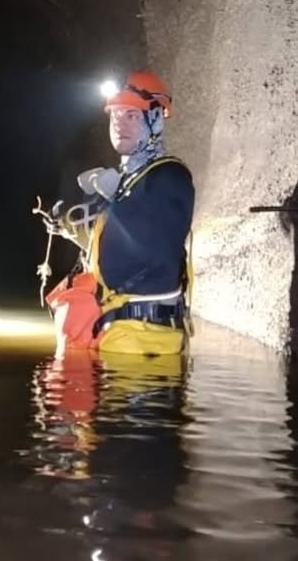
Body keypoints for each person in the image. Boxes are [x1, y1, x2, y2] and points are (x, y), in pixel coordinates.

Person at [41, 70, 195, 356]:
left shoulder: (170, 177)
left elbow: (153, 248)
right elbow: (113, 250)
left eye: (132, 116)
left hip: (147, 344)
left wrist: (117, 198)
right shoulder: (130, 182)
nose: (120, 124)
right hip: (117, 336)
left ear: (156, 120)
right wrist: (67, 227)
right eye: (115, 116)